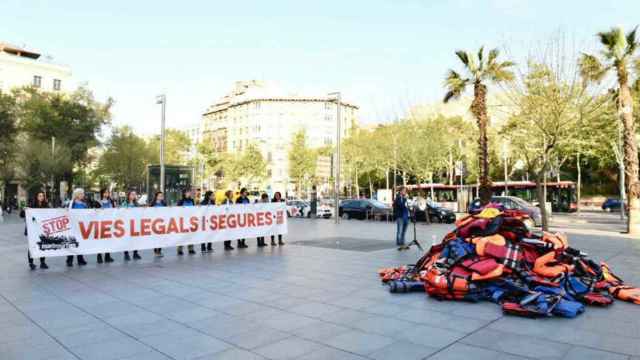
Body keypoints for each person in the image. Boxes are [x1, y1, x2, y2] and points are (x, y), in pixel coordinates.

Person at [21, 191, 49, 270]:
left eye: (42, 196)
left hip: (41, 229)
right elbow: (22, 215)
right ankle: (31, 263)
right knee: (32, 246)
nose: (41, 197)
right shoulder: (31, 205)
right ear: (36, 197)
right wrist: (24, 210)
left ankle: (42, 262)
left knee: (42, 245)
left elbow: (51, 213)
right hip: (32, 229)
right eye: (39, 196)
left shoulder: (46, 206)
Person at [67, 188, 89, 266]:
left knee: (80, 242)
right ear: (77, 195)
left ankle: (80, 259)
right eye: (81, 194)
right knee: (72, 242)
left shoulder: (84, 204)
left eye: (83, 194)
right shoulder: (71, 203)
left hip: (81, 226)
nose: (83, 195)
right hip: (72, 226)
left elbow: (88, 214)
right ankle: (69, 260)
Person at [121, 190, 142, 261]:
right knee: (126, 239)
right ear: (129, 195)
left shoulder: (137, 204)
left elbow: (140, 212)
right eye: (132, 194)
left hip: (135, 224)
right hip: (127, 224)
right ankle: (126, 254)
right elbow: (121, 212)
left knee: (135, 239)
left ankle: (135, 253)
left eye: (134, 194)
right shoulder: (124, 203)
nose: (133, 196)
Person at [96, 188, 115, 264]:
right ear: (102, 193)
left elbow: (114, 210)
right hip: (101, 223)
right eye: (105, 193)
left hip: (109, 223)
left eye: (107, 193)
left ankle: (107, 256)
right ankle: (99, 256)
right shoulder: (98, 202)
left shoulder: (111, 201)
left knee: (108, 241)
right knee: (100, 241)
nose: (106, 194)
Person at [177, 189, 197, 255]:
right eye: (188, 192)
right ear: (184, 193)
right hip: (183, 220)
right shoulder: (181, 201)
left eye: (189, 192)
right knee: (182, 235)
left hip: (191, 220)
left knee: (191, 235)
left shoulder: (191, 200)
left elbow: (194, 209)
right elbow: (177, 210)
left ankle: (191, 249)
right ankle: (180, 249)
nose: (189, 194)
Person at [150, 191, 167, 257]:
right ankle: (155, 251)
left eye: (162, 195)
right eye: (160, 195)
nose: (161, 197)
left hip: (162, 223)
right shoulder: (153, 203)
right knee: (155, 237)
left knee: (161, 238)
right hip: (154, 223)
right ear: (156, 196)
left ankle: (159, 250)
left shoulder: (164, 203)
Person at [394, 186, 410, 251]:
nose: (405, 192)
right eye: (404, 190)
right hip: (400, 217)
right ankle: (399, 242)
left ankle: (403, 241)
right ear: (400, 191)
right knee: (399, 230)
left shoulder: (404, 198)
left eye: (405, 191)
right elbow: (401, 205)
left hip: (406, 216)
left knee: (404, 230)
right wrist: (405, 199)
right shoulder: (398, 198)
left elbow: (407, 206)